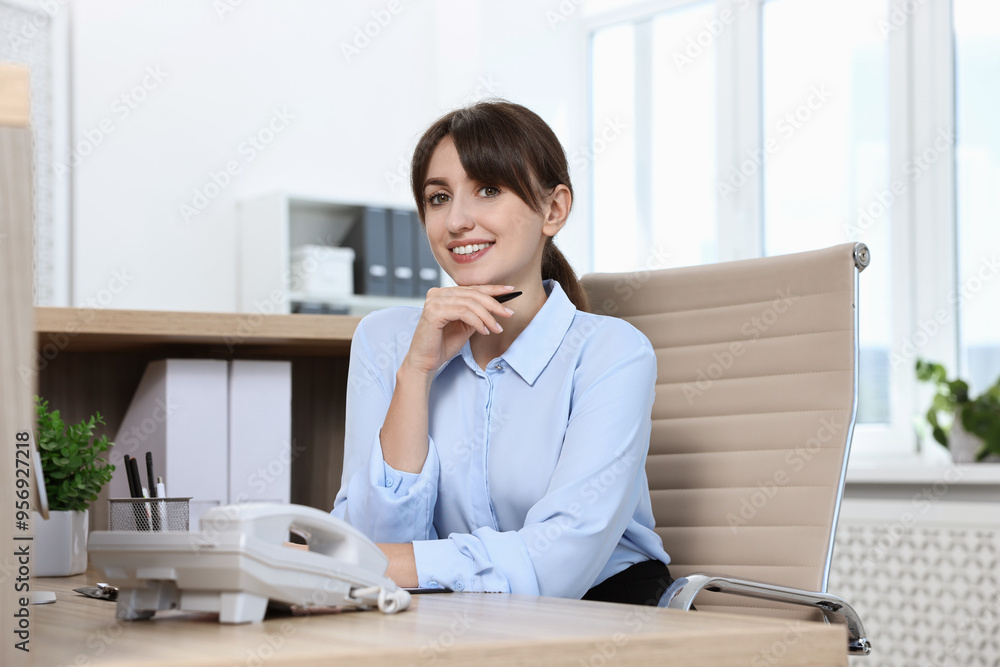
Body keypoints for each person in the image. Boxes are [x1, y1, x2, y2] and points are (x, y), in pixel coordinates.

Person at [331, 100, 672, 605]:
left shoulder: (611, 353)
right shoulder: (385, 340)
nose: (457, 221)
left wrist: (369, 562)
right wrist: (416, 373)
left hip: (601, 613)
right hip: (440, 612)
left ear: (553, 210)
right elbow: (374, 535)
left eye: (488, 190)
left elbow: (556, 564)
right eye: (439, 197)